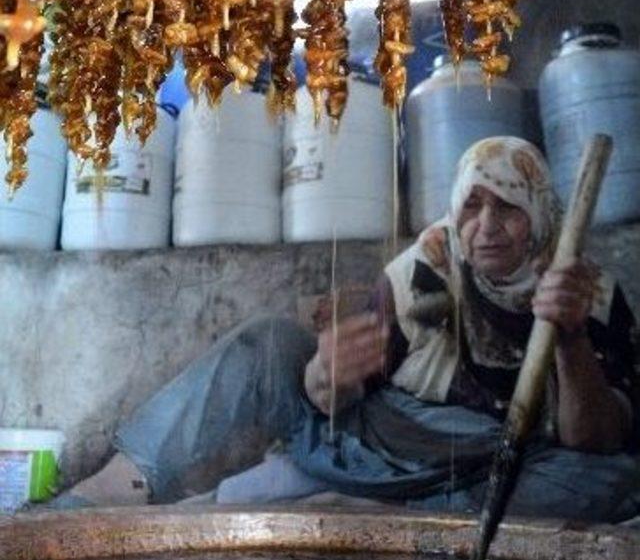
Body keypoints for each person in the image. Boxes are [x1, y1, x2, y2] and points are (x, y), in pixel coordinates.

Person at [58, 137, 640, 521]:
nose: (486, 227)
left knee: (610, 478)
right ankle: (119, 484)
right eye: (471, 206)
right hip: (370, 449)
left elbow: (593, 440)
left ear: (538, 214)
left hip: (486, 473)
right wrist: (325, 376)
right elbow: (333, 398)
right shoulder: (425, 270)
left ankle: (369, 516)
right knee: (270, 342)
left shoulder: (592, 297)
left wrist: (569, 336)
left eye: (508, 208)